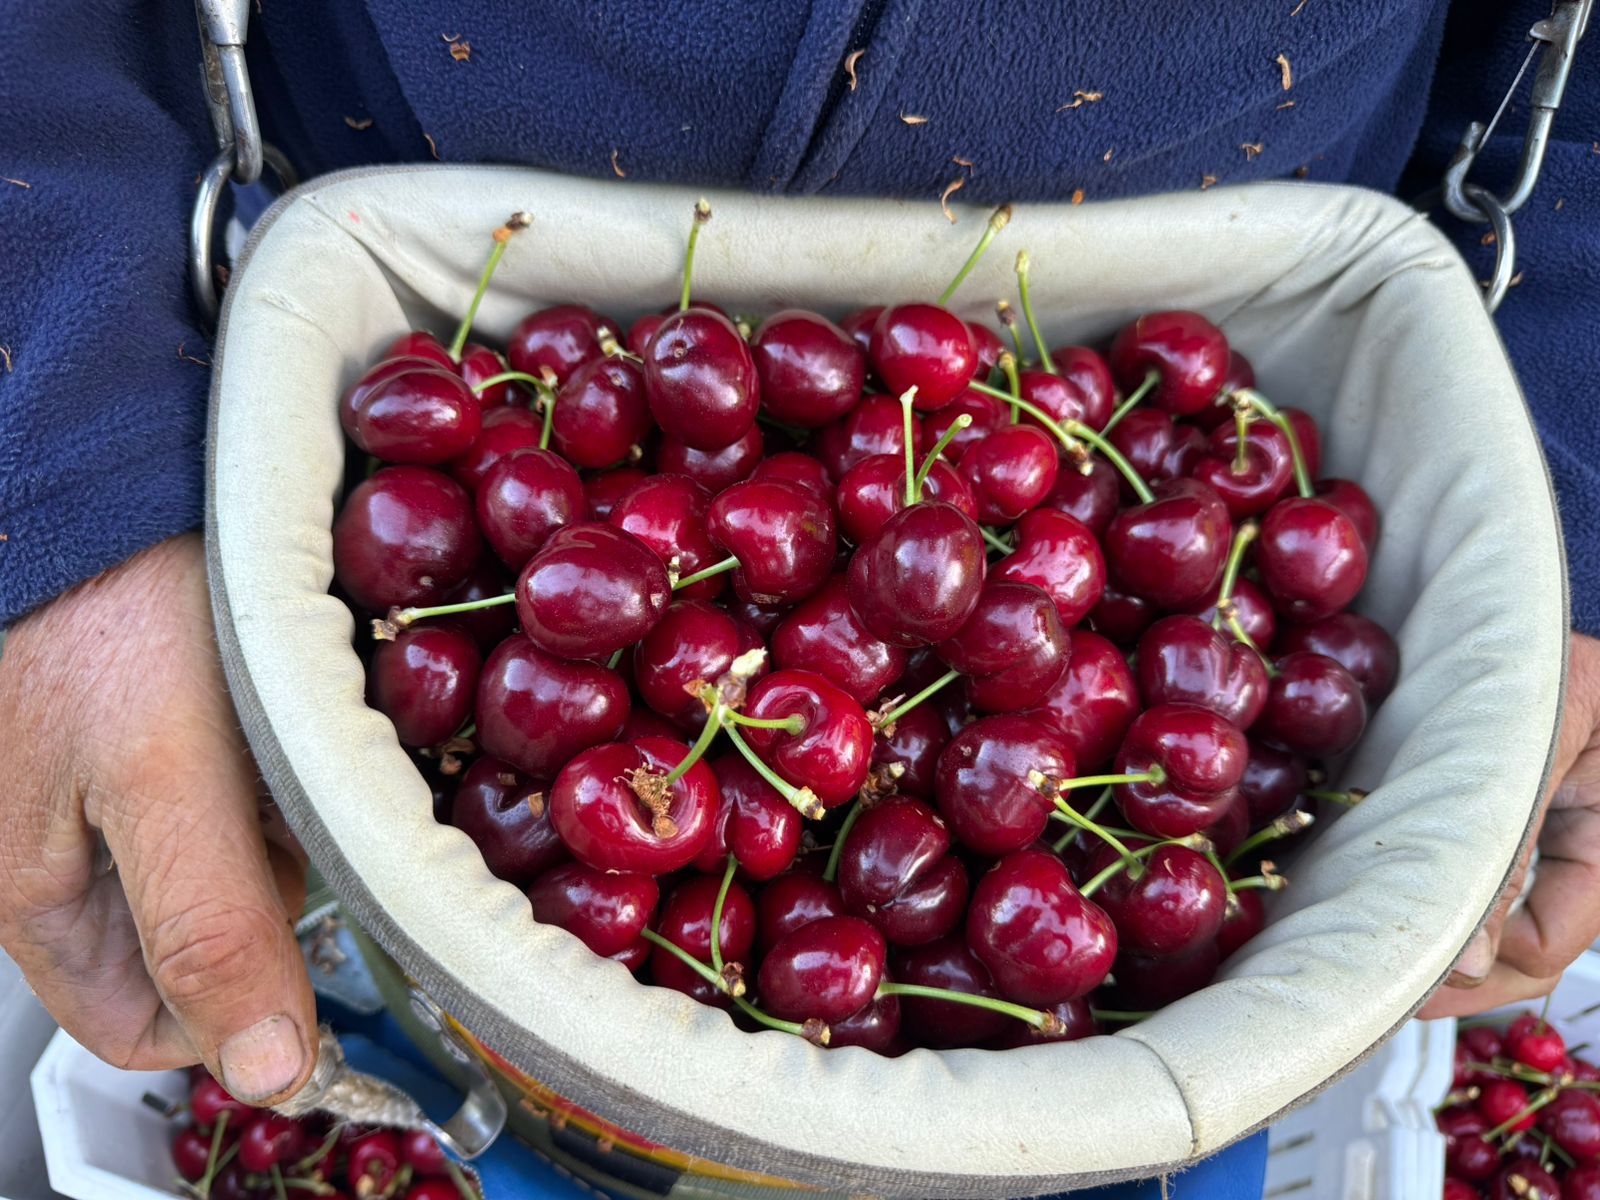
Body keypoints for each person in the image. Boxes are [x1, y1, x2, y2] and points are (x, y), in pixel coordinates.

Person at [0, 0, 1594, 1141]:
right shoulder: (781, 625)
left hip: (1259, 212)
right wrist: (60, 457)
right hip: (370, 236)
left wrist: (1578, 474)